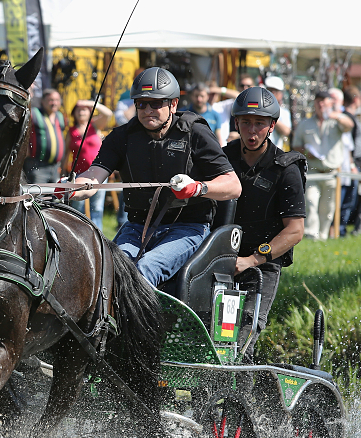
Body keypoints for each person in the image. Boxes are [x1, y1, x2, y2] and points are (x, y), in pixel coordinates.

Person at [68, 67, 241, 287]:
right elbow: (93, 177)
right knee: (108, 270)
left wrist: (197, 188)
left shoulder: (195, 132)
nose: (148, 109)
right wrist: (72, 187)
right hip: (136, 227)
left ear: (173, 104)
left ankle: (141, 322)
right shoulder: (121, 137)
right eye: (141, 103)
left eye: (156, 103)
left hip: (187, 227)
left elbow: (233, 186)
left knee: (145, 269)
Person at [223, 87, 306, 362]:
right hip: (219, 258)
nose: (252, 129)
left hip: (261, 264)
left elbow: (295, 231)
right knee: (209, 331)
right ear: (236, 122)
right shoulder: (221, 159)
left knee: (244, 335)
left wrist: (252, 259)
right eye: (245, 121)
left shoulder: (286, 168)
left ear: (271, 126)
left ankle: (241, 400)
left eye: (259, 123)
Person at [291, 90, 353, 240]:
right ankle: (312, 234)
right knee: (311, 201)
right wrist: (306, 152)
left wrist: (335, 115)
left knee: (329, 207)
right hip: (313, 170)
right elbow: (296, 145)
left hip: (332, 171)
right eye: (318, 101)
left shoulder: (336, 121)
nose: (320, 104)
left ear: (330, 103)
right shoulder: (305, 123)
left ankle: (324, 235)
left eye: (324, 101)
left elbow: (350, 125)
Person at [64, 99, 113, 229]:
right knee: (78, 207)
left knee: (96, 207)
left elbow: (108, 114)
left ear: (89, 112)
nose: (81, 112)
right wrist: (64, 171)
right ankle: (78, 232)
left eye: (84, 109)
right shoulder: (71, 131)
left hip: (98, 173)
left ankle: (98, 233)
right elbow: (65, 153)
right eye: (78, 109)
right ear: (74, 113)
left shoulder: (95, 126)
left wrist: (90, 103)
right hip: (79, 174)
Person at [337, 86, 361, 236]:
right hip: (348, 165)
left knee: (349, 201)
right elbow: (348, 145)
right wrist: (352, 164)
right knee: (345, 200)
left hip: (354, 165)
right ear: (356, 99)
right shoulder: (347, 118)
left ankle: (342, 228)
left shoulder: (351, 117)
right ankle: (339, 229)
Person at [24, 88, 65, 184]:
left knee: (53, 197)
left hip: (55, 168)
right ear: (42, 101)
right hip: (37, 166)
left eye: (57, 100)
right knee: (36, 196)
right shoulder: (34, 113)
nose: (54, 103)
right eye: (51, 100)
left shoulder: (59, 116)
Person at [263, 76, 292, 149]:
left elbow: (286, 131)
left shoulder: (284, 112)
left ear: (281, 94)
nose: (272, 93)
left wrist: (270, 116)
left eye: (275, 91)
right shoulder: (258, 107)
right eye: (269, 90)